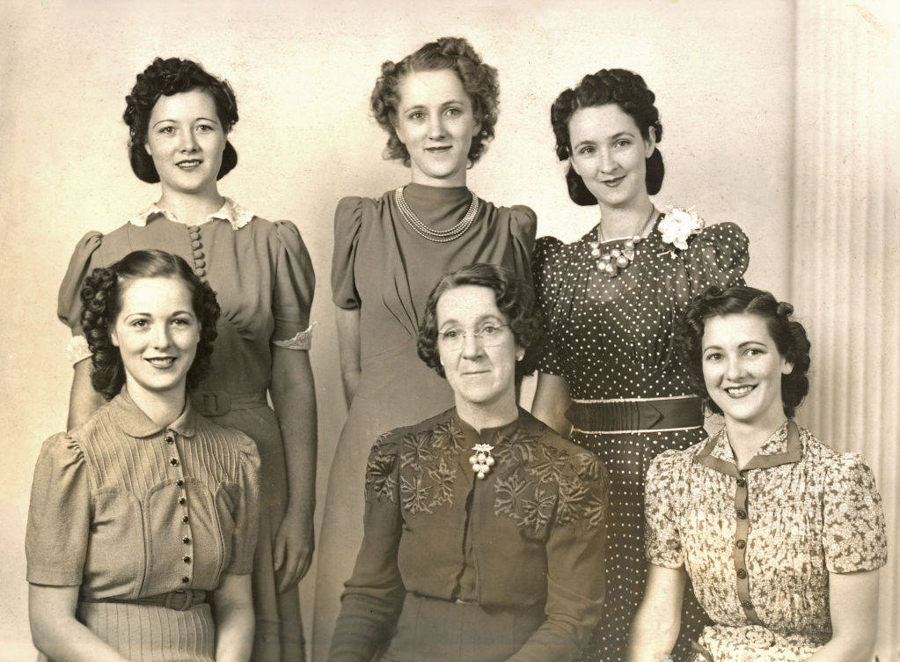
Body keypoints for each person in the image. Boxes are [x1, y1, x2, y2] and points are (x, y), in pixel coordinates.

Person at [56, 57, 316, 661]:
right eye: (167, 129)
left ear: (225, 135)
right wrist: (80, 504)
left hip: (256, 471)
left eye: (204, 126)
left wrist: (299, 512)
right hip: (141, 469)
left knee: (255, 635)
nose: (188, 144)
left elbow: (296, 387)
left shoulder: (271, 243)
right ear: (144, 143)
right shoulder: (111, 249)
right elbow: (90, 391)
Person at [315, 36, 536, 657]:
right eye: (417, 114)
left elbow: (526, 366)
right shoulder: (360, 221)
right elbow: (353, 365)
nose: (436, 131)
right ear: (396, 126)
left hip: (482, 462)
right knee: (359, 631)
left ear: (478, 119)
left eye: (453, 111)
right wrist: (386, 440)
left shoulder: (511, 229)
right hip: (370, 454)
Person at [531, 68, 749, 660]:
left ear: (650, 139)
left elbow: (736, 389)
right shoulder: (557, 268)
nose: (607, 163)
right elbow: (549, 409)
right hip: (591, 483)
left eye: (621, 141)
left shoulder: (700, 253)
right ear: (571, 162)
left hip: (684, 473)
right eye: (587, 149)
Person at [328, 263, 608, 662]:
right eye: (452, 333)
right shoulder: (400, 454)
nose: (471, 350)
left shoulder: (571, 470)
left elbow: (571, 620)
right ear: (438, 351)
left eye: (489, 329)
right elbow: (369, 596)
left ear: (520, 343)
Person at [628, 286, 887, 661]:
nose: (733, 372)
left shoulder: (840, 480)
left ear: (786, 359)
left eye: (752, 351)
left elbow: (855, 643)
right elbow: (658, 620)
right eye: (716, 356)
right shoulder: (673, 476)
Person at [28, 250, 259, 662]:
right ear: (113, 333)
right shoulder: (73, 458)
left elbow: (237, 606)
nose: (163, 342)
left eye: (179, 321)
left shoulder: (236, 456)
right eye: (140, 323)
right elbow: (49, 624)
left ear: (199, 329)